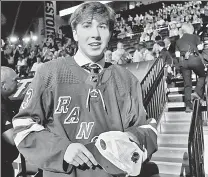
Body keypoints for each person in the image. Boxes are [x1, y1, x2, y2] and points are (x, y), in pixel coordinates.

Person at [12, 2, 157, 177]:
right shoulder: (49, 73)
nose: (95, 34)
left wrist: (132, 137)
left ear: (110, 33)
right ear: (75, 32)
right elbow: (23, 127)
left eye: (102, 27)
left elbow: (146, 128)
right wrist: (62, 150)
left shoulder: (128, 80)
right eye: (87, 26)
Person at [175, 23, 206, 112]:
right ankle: (197, 92)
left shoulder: (178, 41)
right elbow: (200, 48)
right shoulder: (194, 37)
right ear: (190, 29)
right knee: (202, 76)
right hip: (194, 59)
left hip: (183, 62)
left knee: (187, 84)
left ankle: (188, 106)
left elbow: (177, 55)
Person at [1, 66, 19, 177]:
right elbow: (12, 138)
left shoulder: (6, 101)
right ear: (3, 85)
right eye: (15, 80)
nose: (18, 83)